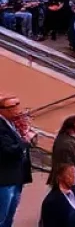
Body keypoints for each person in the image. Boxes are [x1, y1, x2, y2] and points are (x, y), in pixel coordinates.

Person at [0, 94, 34, 227]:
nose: (18, 109)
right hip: (5, 179)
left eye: (18, 104)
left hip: (17, 176)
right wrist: (25, 139)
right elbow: (8, 150)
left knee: (10, 215)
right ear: (3, 109)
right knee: (3, 216)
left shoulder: (12, 124)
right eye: (14, 106)